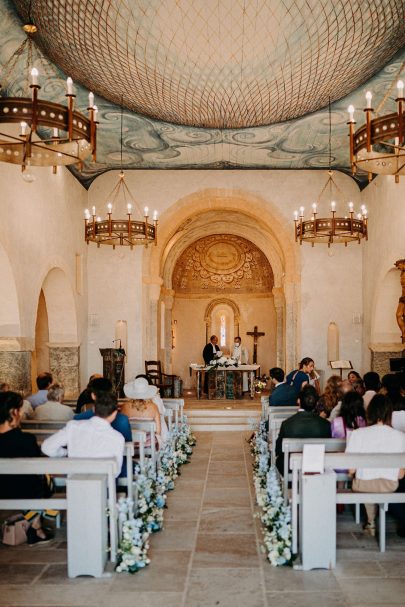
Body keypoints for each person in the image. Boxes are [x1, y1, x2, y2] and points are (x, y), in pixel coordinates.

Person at [346, 394, 405, 536]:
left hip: (363, 485)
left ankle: (371, 520)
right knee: (379, 479)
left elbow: (351, 470)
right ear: (390, 413)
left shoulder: (358, 433)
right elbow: (400, 474)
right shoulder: (400, 436)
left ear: (370, 412)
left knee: (365, 478)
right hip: (389, 485)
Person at [0, 391, 53, 544]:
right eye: (20, 409)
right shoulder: (26, 440)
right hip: (23, 491)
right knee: (44, 480)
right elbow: (37, 466)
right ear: (14, 412)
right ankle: (37, 527)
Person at [42, 392, 125, 478]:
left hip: (74, 485)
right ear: (115, 413)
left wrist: (65, 453)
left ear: (93, 409)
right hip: (103, 488)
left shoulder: (73, 427)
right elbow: (116, 471)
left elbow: (47, 447)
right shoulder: (118, 438)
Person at [275, 385, 331, 474]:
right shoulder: (325, 424)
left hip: (291, 468)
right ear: (316, 403)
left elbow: (278, 449)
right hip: (317, 466)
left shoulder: (287, 424)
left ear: (299, 401)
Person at [120, 378, 162, 446]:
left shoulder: (125, 406)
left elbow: (121, 426)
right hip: (148, 443)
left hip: (129, 442)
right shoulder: (153, 407)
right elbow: (158, 431)